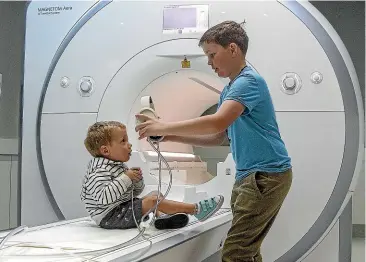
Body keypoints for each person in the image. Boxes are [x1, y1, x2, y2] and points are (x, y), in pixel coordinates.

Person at [135, 20, 292, 261]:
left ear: (232, 49)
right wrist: (169, 135)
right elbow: (219, 137)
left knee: (235, 251)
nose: (208, 62)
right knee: (247, 250)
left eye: (212, 54)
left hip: (265, 175)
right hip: (250, 175)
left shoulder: (249, 81)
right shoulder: (229, 91)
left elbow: (217, 122)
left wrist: (164, 125)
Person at [80, 121, 224, 231]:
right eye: (123, 141)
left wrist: (136, 181)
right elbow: (104, 198)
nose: (129, 145)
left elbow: (132, 194)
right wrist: (126, 178)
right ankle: (196, 209)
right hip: (109, 216)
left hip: (121, 208)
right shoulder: (99, 171)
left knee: (155, 194)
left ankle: (161, 218)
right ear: (105, 150)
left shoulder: (116, 166)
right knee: (153, 200)